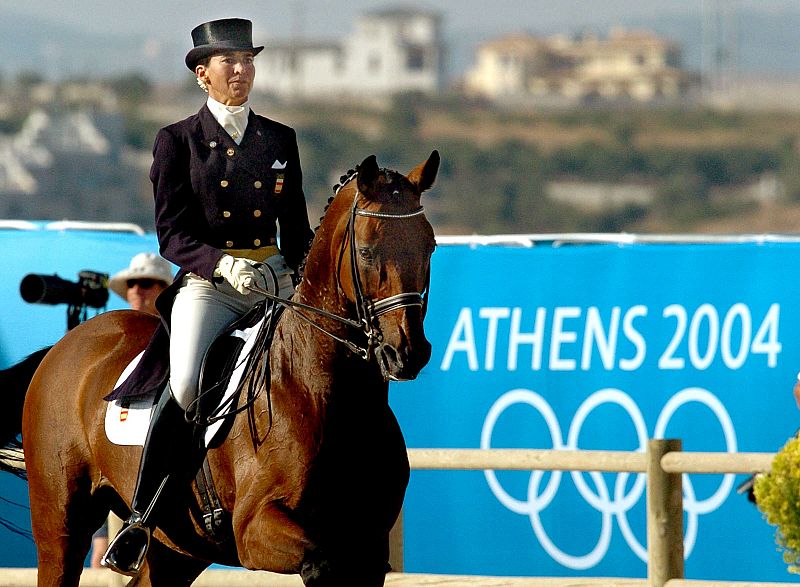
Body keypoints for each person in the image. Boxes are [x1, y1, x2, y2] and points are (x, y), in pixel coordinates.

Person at [101, 17, 314, 576]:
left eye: (247, 61)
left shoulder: (279, 139)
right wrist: (222, 266)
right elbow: (171, 234)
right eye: (229, 62)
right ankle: (143, 518)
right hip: (211, 286)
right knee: (187, 382)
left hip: (274, 280)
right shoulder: (177, 141)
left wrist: (301, 275)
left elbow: (295, 230)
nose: (241, 70)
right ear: (203, 74)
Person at [88, 252, 172, 568]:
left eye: (147, 283)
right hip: (108, 475)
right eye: (133, 283)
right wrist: (99, 539)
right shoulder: (111, 345)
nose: (138, 290)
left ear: (165, 290)